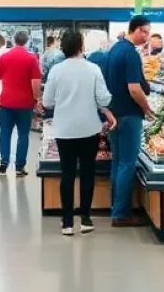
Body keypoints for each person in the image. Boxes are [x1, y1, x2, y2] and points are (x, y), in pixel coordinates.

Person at [42, 30, 116, 236]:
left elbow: (47, 102)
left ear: (63, 47)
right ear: (81, 46)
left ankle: (67, 222)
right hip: (89, 129)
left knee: (67, 174)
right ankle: (85, 218)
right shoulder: (93, 69)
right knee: (87, 173)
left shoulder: (56, 71)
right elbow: (104, 99)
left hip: (64, 130)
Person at [103, 14, 152, 227]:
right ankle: (121, 214)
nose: (148, 36)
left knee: (118, 162)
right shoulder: (131, 54)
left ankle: (116, 207)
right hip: (129, 115)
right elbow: (134, 89)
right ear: (137, 30)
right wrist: (147, 108)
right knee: (127, 163)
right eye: (146, 31)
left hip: (114, 114)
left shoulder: (114, 49)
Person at [0, 29, 41, 177]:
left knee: (5, 133)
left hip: (6, 103)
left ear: (13, 41)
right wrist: (36, 99)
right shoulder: (32, 58)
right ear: (27, 41)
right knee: (23, 135)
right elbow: (36, 82)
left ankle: (4, 163)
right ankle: (20, 166)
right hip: (25, 104)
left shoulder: (4, 57)